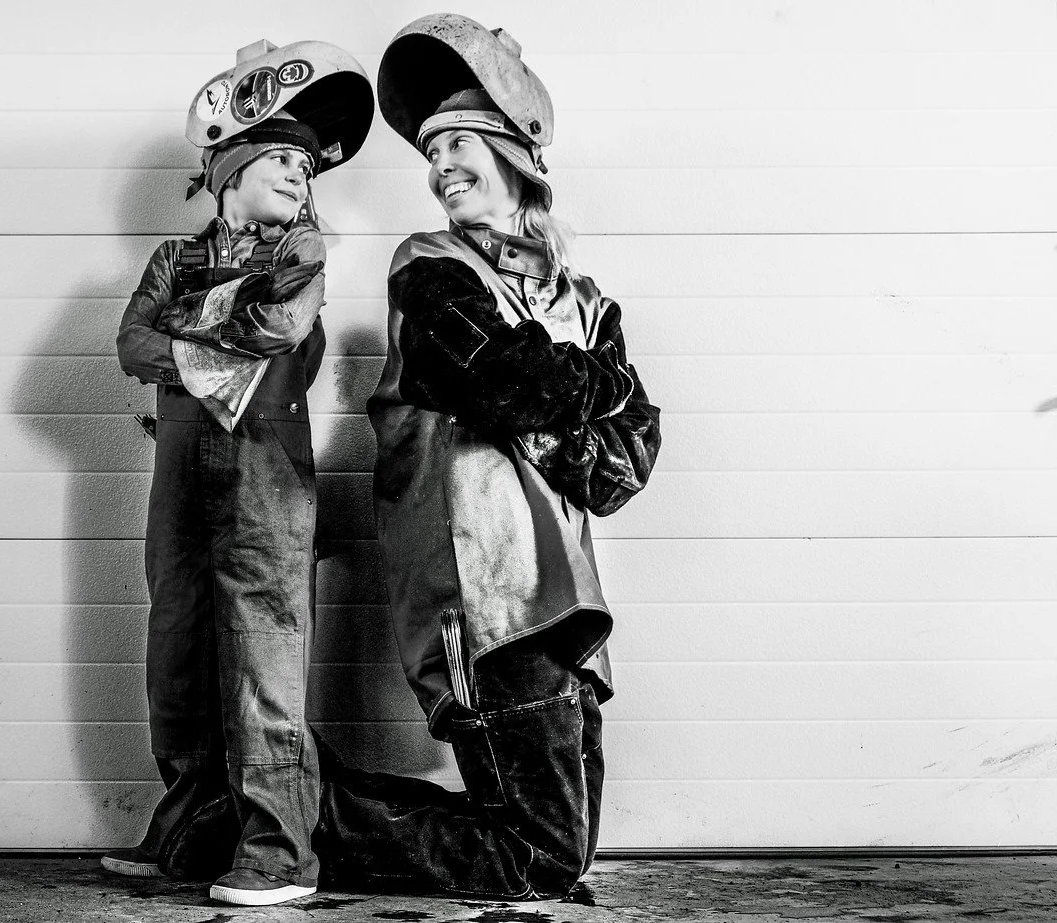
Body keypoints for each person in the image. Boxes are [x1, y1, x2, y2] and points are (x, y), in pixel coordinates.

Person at [311, 14, 662, 899]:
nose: (439, 167)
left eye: (456, 142)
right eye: (431, 152)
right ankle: (279, 807)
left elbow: (628, 463)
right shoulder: (427, 269)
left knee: (556, 851)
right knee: (543, 858)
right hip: (483, 599)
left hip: (570, 607)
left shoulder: (586, 300)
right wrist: (593, 391)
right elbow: (499, 376)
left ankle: (290, 801)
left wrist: (546, 407)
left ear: (514, 150)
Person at [104, 38, 374, 907]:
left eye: (308, 166)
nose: (300, 174)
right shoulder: (171, 260)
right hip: (179, 482)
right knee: (176, 651)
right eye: (282, 159)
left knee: (265, 656)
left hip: (268, 482)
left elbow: (283, 327)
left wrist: (187, 336)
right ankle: (190, 832)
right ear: (230, 168)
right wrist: (221, 333)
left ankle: (280, 852)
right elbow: (129, 344)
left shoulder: (304, 255)